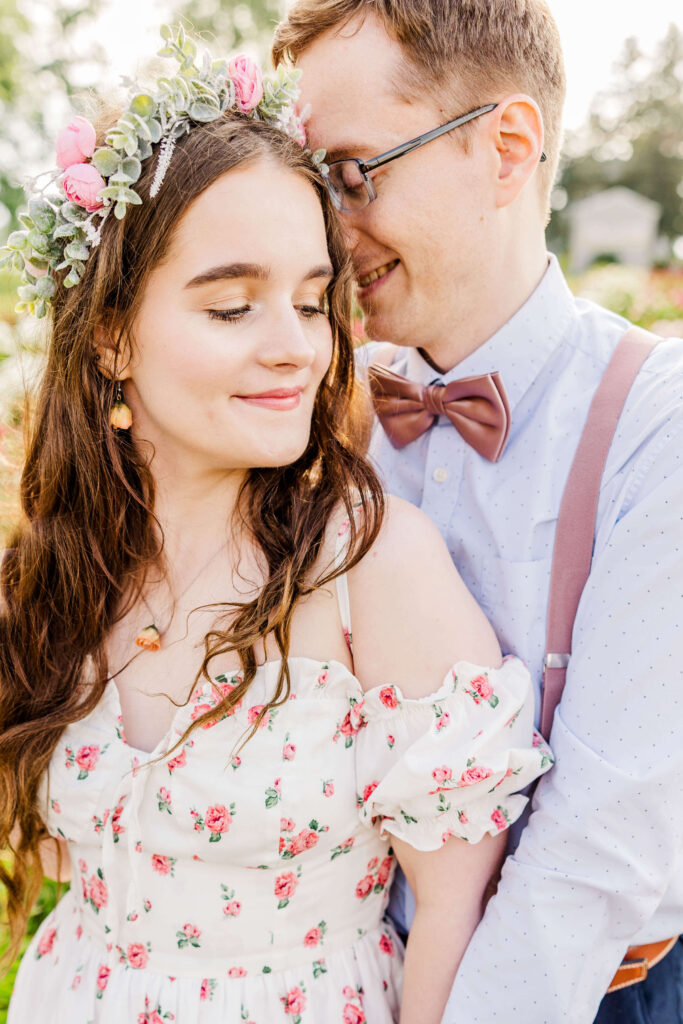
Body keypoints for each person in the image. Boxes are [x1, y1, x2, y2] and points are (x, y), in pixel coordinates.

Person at [0, 27, 552, 1024]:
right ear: (113, 335)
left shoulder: (369, 566)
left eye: (309, 301)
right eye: (232, 307)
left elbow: (452, 918)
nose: (294, 348)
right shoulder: (59, 566)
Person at [271, 1, 683, 1021]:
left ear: (505, 151)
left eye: (352, 173)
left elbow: (596, 844)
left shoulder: (654, 424)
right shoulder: (301, 412)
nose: (326, 230)